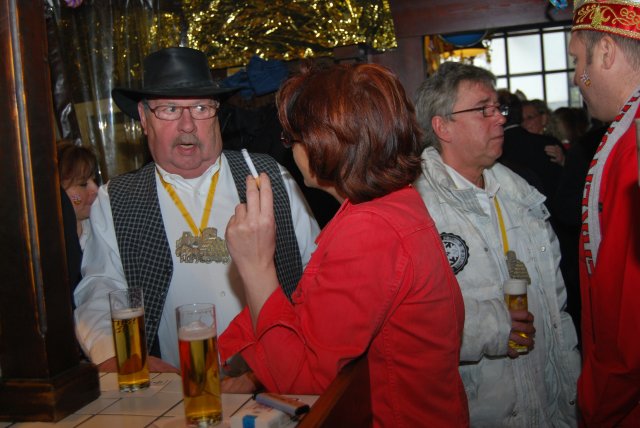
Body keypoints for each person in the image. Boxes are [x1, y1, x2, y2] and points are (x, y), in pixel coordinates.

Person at [219, 63, 469, 426]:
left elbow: (305, 384)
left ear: (325, 143)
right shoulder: (394, 205)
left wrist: (255, 266)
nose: (291, 151)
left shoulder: (369, 229)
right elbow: (318, 327)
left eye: (292, 138)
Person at [73, 47, 320, 371]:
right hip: (173, 389)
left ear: (217, 113)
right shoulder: (116, 200)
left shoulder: (269, 178)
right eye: (170, 109)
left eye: (201, 108)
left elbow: (317, 273)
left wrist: (266, 369)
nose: (187, 125)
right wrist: (119, 357)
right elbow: (99, 291)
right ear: (144, 119)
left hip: (273, 380)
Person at [413, 61, 580, 427]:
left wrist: (569, 399)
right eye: (483, 110)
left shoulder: (521, 196)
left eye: (498, 108)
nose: (501, 118)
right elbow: (413, 326)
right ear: (443, 127)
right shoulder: (416, 211)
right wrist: (489, 328)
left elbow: (557, 312)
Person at [570, 0, 640, 425]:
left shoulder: (634, 144)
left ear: (607, 52)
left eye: (578, 61)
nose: (576, 77)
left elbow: (630, 320)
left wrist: (599, 404)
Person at [57, 140, 99, 299]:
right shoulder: (47, 247)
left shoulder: (103, 231)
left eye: (94, 181)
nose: (95, 189)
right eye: (83, 184)